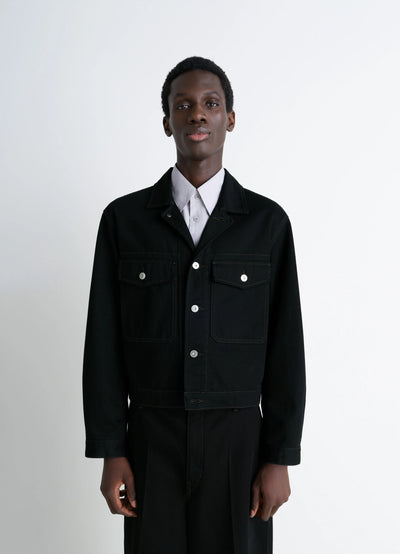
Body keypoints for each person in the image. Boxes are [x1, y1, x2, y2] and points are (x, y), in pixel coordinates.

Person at [83, 56, 306, 554]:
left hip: (239, 442)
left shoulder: (267, 224)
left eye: (211, 103)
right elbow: (103, 342)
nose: (197, 114)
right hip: (151, 438)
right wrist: (111, 450)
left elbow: (286, 347)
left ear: (230, 118)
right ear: (167, 122)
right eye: (182, 105)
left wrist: (279, 456)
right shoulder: (124, 221)